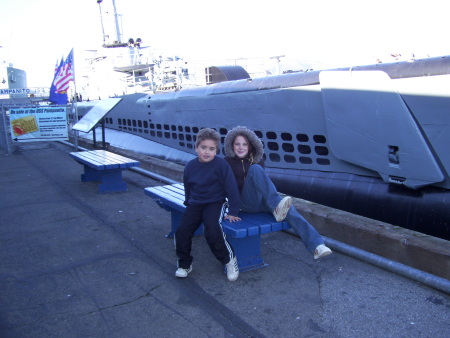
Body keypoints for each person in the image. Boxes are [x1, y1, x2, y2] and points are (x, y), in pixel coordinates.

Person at [224, 126, 332, 259]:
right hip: (244, 204)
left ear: (250, 145)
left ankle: (317, 246)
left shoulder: (258, 160)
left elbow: (262, 186)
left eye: (244, 144)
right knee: (256, 170)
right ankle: (277, 205)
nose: (241, 147)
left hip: (260, 201)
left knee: (289, 209)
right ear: (231, 145)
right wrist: (232, 211)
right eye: (237, 144)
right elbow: (227, 188)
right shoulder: (227, 163)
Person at [175, 128, 242, 281]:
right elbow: (188, 186)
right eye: (203, 147)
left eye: (211, 149)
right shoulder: (190, 166)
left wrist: (233, 211)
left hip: (215, 202)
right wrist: (188, 202)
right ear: (196, 147)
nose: (207, 152)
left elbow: (231, 188)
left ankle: (229, 260)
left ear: (216, 151)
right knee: (182, 231)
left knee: (212, 229)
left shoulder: (221, 165)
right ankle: (184, 264)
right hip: (195, 203)